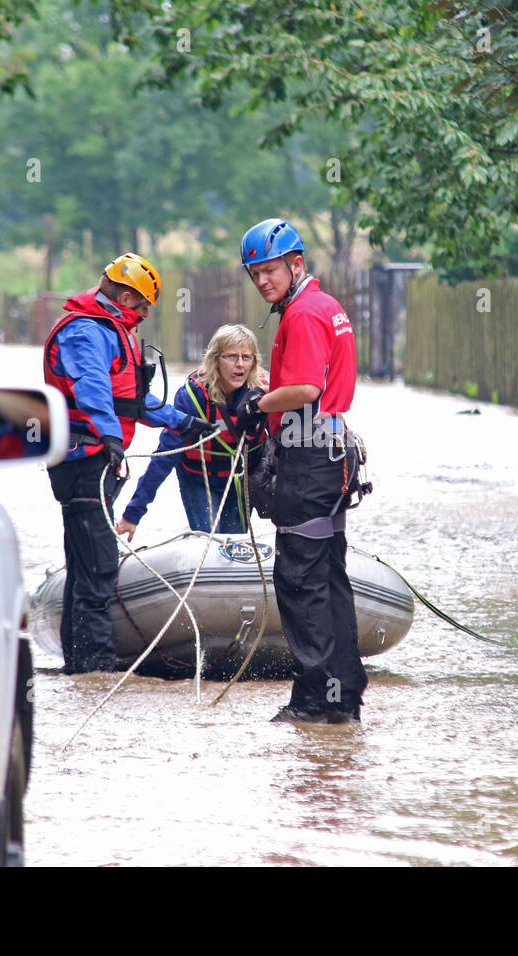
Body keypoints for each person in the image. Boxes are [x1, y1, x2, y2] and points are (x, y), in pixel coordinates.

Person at [43, 252, 215, 674]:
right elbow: (92, 389)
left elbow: (134, 402)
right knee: (99, 567)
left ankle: (79, 668)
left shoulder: (112, 331)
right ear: (123, 295)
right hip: (84, 462)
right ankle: (96, 669)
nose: (143, 316)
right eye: (141, 307)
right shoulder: (86, 332)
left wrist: (188, 424)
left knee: (87, 565)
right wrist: (109, 437)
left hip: (99, 460)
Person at [235, 218, 366, 724]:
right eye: (255, 274)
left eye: (269, 270)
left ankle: (314, 703)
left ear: (296, 264)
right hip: (330, 454)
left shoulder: (304, 314)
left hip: (308, 458)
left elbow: (308, 389)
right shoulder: (326, 306)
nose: (262, 281)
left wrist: (256, 403)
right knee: (330, 578)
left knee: (300, 581)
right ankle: (343, 699)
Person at [117, 325, 269, 539]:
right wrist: (134, 513)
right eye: (231, 356)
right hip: (199, 479)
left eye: (246, 357)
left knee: (233, 546)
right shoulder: (192, 396)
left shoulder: (264, 394)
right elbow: (165, 457)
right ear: (215, 359)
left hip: (239, 480)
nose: (240, 364)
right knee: (209, 542)